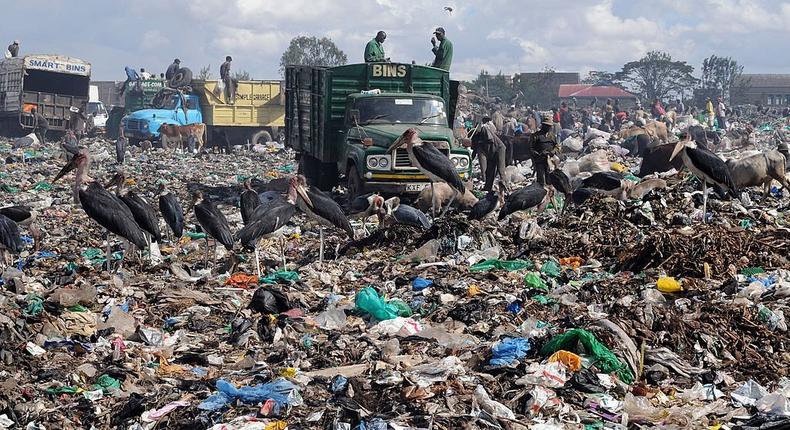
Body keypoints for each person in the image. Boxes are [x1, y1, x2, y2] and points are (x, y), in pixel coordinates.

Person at [530, 115, 558, 185]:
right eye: (546, 126)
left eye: (549, 126)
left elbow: (557, 146)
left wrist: (552, 152)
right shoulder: (535, 136)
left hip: (550, 161)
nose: (548, 127)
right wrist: (538, 154)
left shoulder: (552, 136)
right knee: (541, 180)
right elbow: (531, 148)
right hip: (540, 161)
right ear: (543, 125)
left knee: (550, 180)